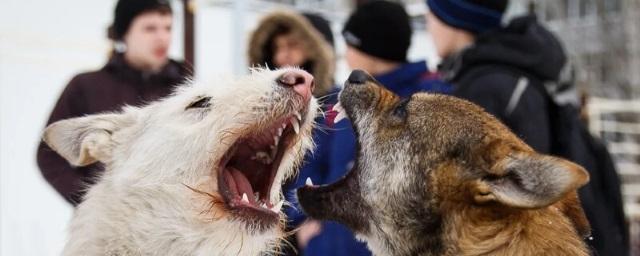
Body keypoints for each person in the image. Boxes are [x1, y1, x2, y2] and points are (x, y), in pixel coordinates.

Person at [424, 0, 629, 255]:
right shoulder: (512, 68)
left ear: (456, 20)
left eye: (432, 14)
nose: (428, 24)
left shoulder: (489, 88)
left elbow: (502, 198)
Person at [281, 1, 450, 255]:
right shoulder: (341, 101)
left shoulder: (429, 104)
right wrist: (304, 224)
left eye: (349, 45)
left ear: (366, 49)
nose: (345, 55)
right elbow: (311, 166)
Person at [37, 0, 190, 206]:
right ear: (124, 33)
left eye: (168, 27)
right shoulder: (86, 86)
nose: (162, 37)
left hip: (171, 224)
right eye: (150, 28)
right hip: (107, 226)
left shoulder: (185, 89)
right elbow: (50, 154)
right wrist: (90, 201)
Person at [247, 10, 338, 255]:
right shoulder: (260, 112)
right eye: (277, 47)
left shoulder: (337, 109)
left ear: (317, 49)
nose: (282, 55)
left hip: (313, 237)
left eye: (293, 45)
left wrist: (301, 224)